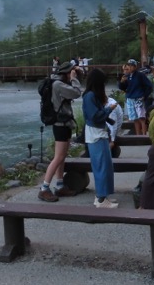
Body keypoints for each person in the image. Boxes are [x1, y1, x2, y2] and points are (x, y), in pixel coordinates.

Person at [38, 61, 83, 202]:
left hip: (64, 123)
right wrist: (74, 78)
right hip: (60, 124)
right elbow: (76, 93)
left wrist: (74, 76)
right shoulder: (57, 84)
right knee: (58, 157)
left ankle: (60, 185)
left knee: (62, 156)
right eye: (71, 72)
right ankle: (44, 188)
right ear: (66, 73)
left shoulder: (58, 83)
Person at [82, 68, 120, 208]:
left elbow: (96, 114)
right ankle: (101, 199)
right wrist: (109, 109)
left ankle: (102, 196)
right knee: (102, 167)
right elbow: (95, 116)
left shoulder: (90, 95)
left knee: (105, 166)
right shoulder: (90, 96)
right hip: (96, 135)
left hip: (98, 134)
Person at [119, 59, 152, 135]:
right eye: (128, 65)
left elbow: (149, 86)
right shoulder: (127, 76)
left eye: (131, 65)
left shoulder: (140, 75)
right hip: (130, 98)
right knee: (134, 119)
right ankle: (138, 135)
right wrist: (122, 82)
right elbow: (123, 88)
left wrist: (144, 96)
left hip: (138, 98)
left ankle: (144, 135)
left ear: (135, 67)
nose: (129, 67)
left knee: (142, 118)